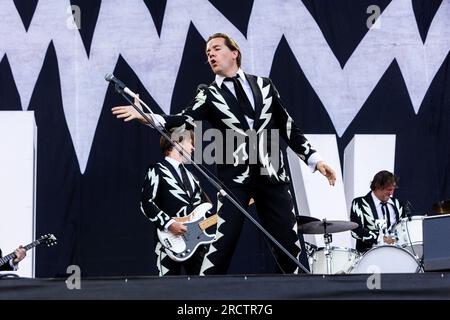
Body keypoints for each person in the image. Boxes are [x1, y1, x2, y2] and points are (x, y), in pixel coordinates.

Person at [113, 33, 336, 275]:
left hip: (271, 173)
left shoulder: (265, 85)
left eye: (216, 49)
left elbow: (288, 127)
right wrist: (146, 116)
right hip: (235, 181)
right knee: (221, 246)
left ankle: (294, 292)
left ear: (234, 53)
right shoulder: (209, 94)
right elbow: (183, 118)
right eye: (208, 53)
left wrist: (316, 160)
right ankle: (206, 297)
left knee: (288, 246)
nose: (210, 54)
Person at [140, 126, 211, 276]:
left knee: (204, 287)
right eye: (190, 143)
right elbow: (146, 203)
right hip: (169, 242)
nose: (193, 148)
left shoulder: (193, 177)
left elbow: (204, 209)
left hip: (196, 243)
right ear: (177, 142)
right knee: (168, 290)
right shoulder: (157, 170)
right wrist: (169, 224)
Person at [350, 170, 408, 253]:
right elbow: (355, 230)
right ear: (377, 187)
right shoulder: (359, 203)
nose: (391, 193)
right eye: (388, 189)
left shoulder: (398, 204)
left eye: (393, 189)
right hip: (369, 256)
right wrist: (381, 238)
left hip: (396, 253)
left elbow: (404, 228)